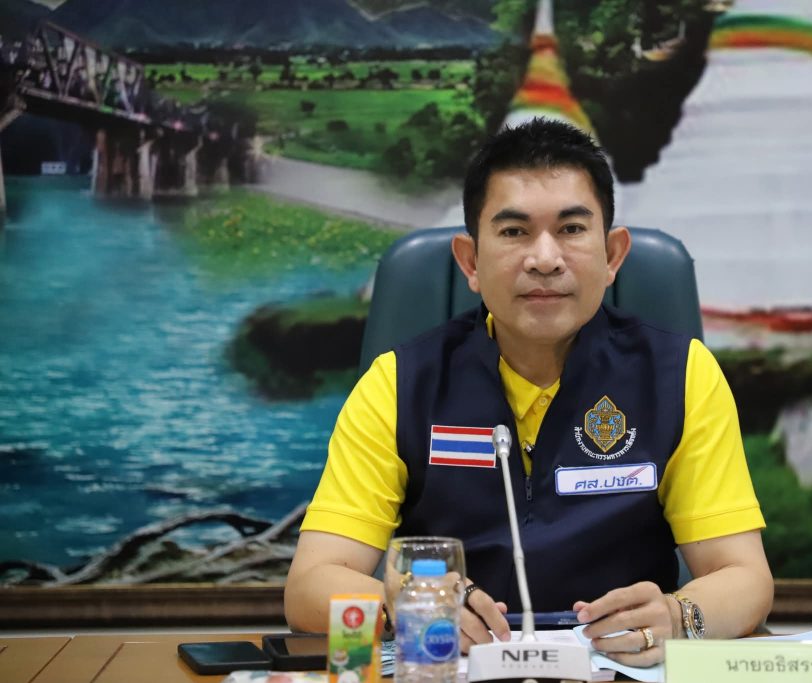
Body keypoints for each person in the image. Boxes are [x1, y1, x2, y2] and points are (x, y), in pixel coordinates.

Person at [285, 118, 773, 666]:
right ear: (470, 262)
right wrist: (408, 604)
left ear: (613, 255)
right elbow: (309, 587)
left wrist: (681, 617)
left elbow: (745, 578)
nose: (545, 258)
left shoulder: (680, 375)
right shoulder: (399, 382)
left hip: (620, 668)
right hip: (453, 667)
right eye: (514, 232)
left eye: (571, 229)